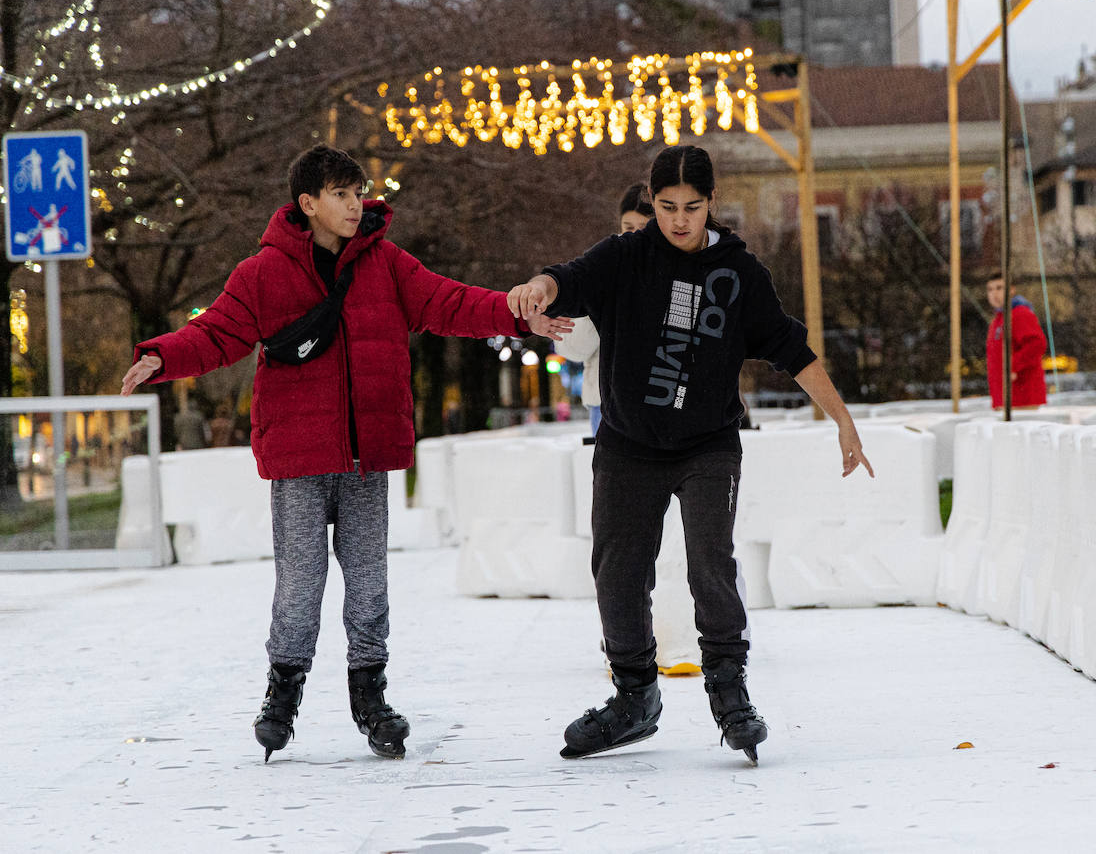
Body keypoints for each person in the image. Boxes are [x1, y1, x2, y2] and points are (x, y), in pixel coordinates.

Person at [120, 144, 570, 762]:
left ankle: (371, 698)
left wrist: (517, 317)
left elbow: (450, 302)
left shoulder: (386, 266)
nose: (356, 204)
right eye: (341, 194)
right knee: (300, 584)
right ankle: (283, 693)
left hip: (366, 458)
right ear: (308, 204)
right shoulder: (261, 275)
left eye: (359, 192)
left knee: (367, 583)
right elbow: (217, 333)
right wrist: (163, 355)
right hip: (300, 461)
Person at [508, 145, 873, 764]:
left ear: (712, 204)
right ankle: (633, 697)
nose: (679, 220)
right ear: (652, 203)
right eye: (668, 207)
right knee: (617, 570)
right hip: (627, 445)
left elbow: (793, 349)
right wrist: (540, 286)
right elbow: (567, 278)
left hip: (707, 445)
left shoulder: (738, 274)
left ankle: (729, 690)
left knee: (710, 561)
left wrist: (843, 421)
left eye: (693, 208)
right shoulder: (625, 258)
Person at [555, 183, 654, 435]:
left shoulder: (672, 274)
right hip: (606, 404)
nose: (634, 236)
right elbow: (570, 347)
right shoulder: (602, 268)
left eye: (643, 228)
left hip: (657, 403)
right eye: (628, 228)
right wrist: (597, 309)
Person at [985, 273, 1048, 409]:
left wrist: (1013, 367)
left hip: (1021, 395)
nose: (994, 293)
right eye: (990, 289)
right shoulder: (998, 319)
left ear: (1011, 290)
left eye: (999, 288)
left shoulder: (1019, 314)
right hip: (1004, 397)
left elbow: (1036, 344)